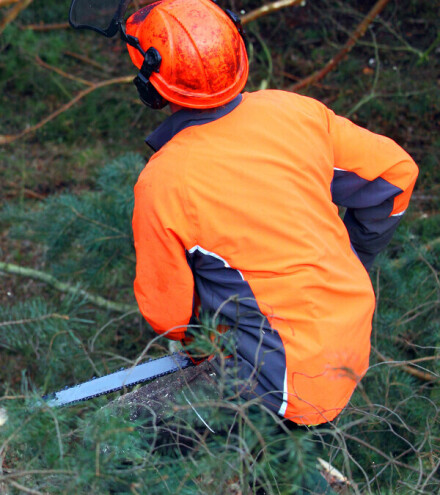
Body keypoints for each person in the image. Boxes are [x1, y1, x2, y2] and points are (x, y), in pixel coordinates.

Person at [124, 0, 418, 426]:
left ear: (152, 88)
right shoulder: (294, 112)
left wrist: (205, 347)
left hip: (279, 378)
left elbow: (167, 313)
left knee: (123, 440)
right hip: (351, 338)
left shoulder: (163, 181)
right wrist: (355, 259)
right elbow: (394, 174)